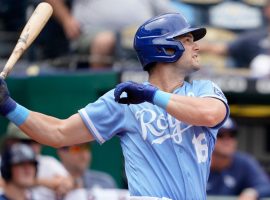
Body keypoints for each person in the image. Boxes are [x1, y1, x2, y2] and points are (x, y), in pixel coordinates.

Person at [0, 12, 229, 199]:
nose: (197, 47)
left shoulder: (202, 90)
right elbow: (57, 133)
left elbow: (210, 115)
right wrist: (8, 105)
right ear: (165, 48)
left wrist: (151, 95)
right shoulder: (124, 100)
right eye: (187, 41)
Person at [44, 0, 176, 68]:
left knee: (176, 40)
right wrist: (66, 19)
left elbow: (166, 10)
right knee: (105, 41)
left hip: (140, 32)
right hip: (92, 32)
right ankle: (99, 101)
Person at [1, 122, 74, 200]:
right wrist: (42, 182)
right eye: (26, 142)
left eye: (36, 141)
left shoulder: (48, 162)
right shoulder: (5, 160)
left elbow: (67, 183)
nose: (33, 146)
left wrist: (27, 180)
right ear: (11, 142)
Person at [207, 117, 270, 200]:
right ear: (208, 138)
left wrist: (253, 192)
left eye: (232, 134)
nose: (227, 140)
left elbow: (266, 186)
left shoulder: (243, 162)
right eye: (220, 135)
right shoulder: (198, 163)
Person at [199, 0, 270, 68]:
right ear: (266, 10)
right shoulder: (254, 37)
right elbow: (223, 49)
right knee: (262, 63)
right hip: (260, 77)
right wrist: (194, 47)